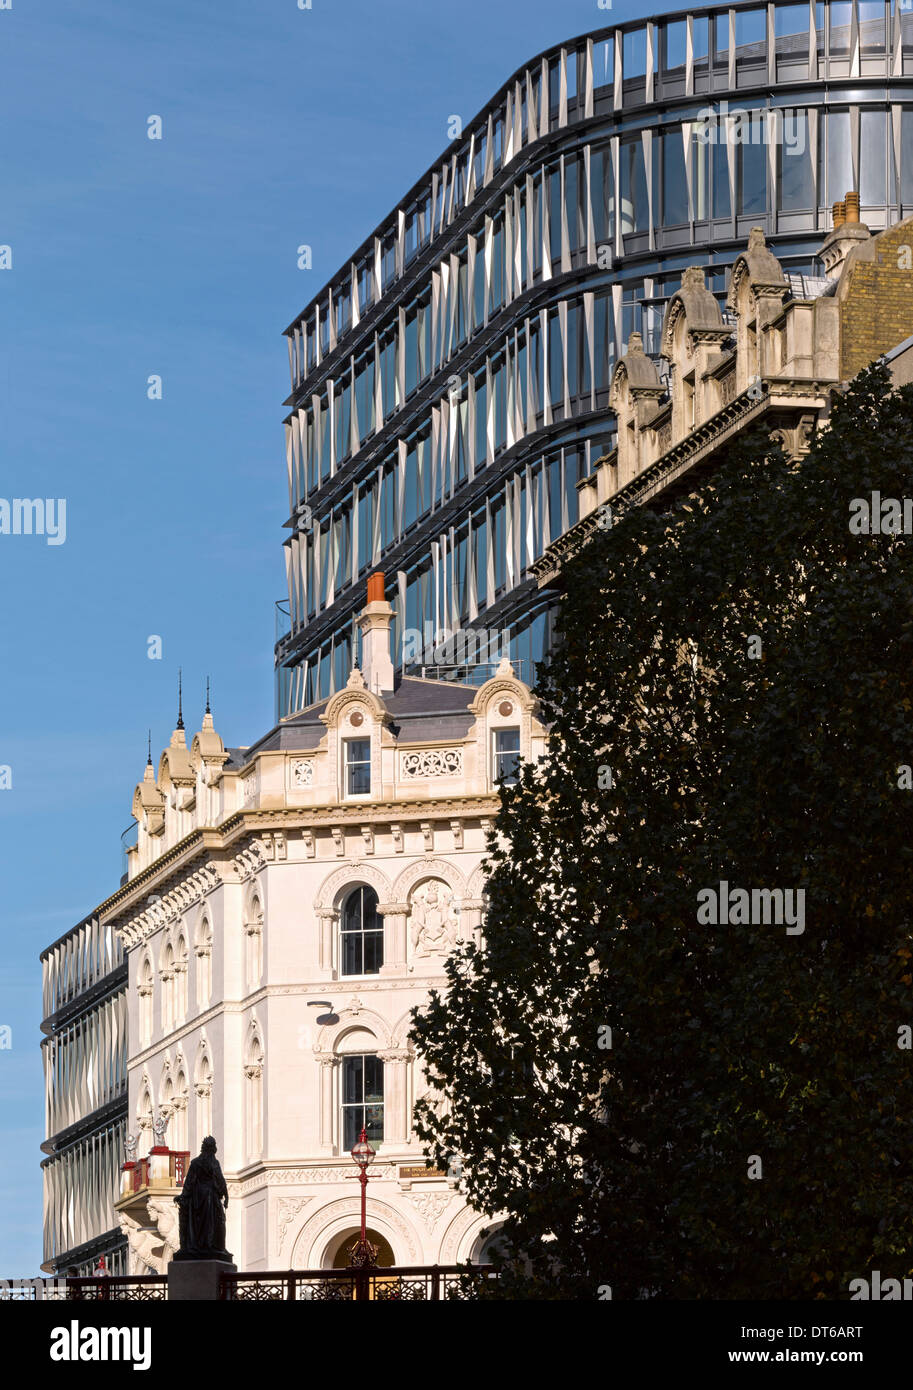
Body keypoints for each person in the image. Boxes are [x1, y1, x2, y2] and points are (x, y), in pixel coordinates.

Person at [173, 1136, 232, 1261]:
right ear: (212, 1148)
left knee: (201, 1223)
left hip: (198, 1197)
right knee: (214, 1221)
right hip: (209, 1196)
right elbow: (220, 1180)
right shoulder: (213, 1162)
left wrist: (183, 1196)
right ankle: (212, 1245)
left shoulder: (196, 1162)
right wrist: (226, 1196)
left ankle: (204, 1245)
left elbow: (189, 1183)